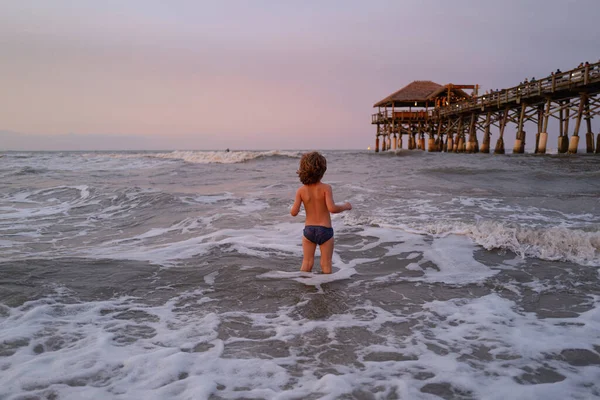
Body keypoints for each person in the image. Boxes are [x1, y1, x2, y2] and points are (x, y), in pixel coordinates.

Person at [290, 151, 352, 274]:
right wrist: (346, 206)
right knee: (326, 264)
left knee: (307, 263)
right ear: (322, 171)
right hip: (325, 230)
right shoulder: (326, 188)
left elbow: (293, 212)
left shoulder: (301, 190)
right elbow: (332, 209)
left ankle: (304, 289)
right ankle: (326, 291)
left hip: (309, 231)